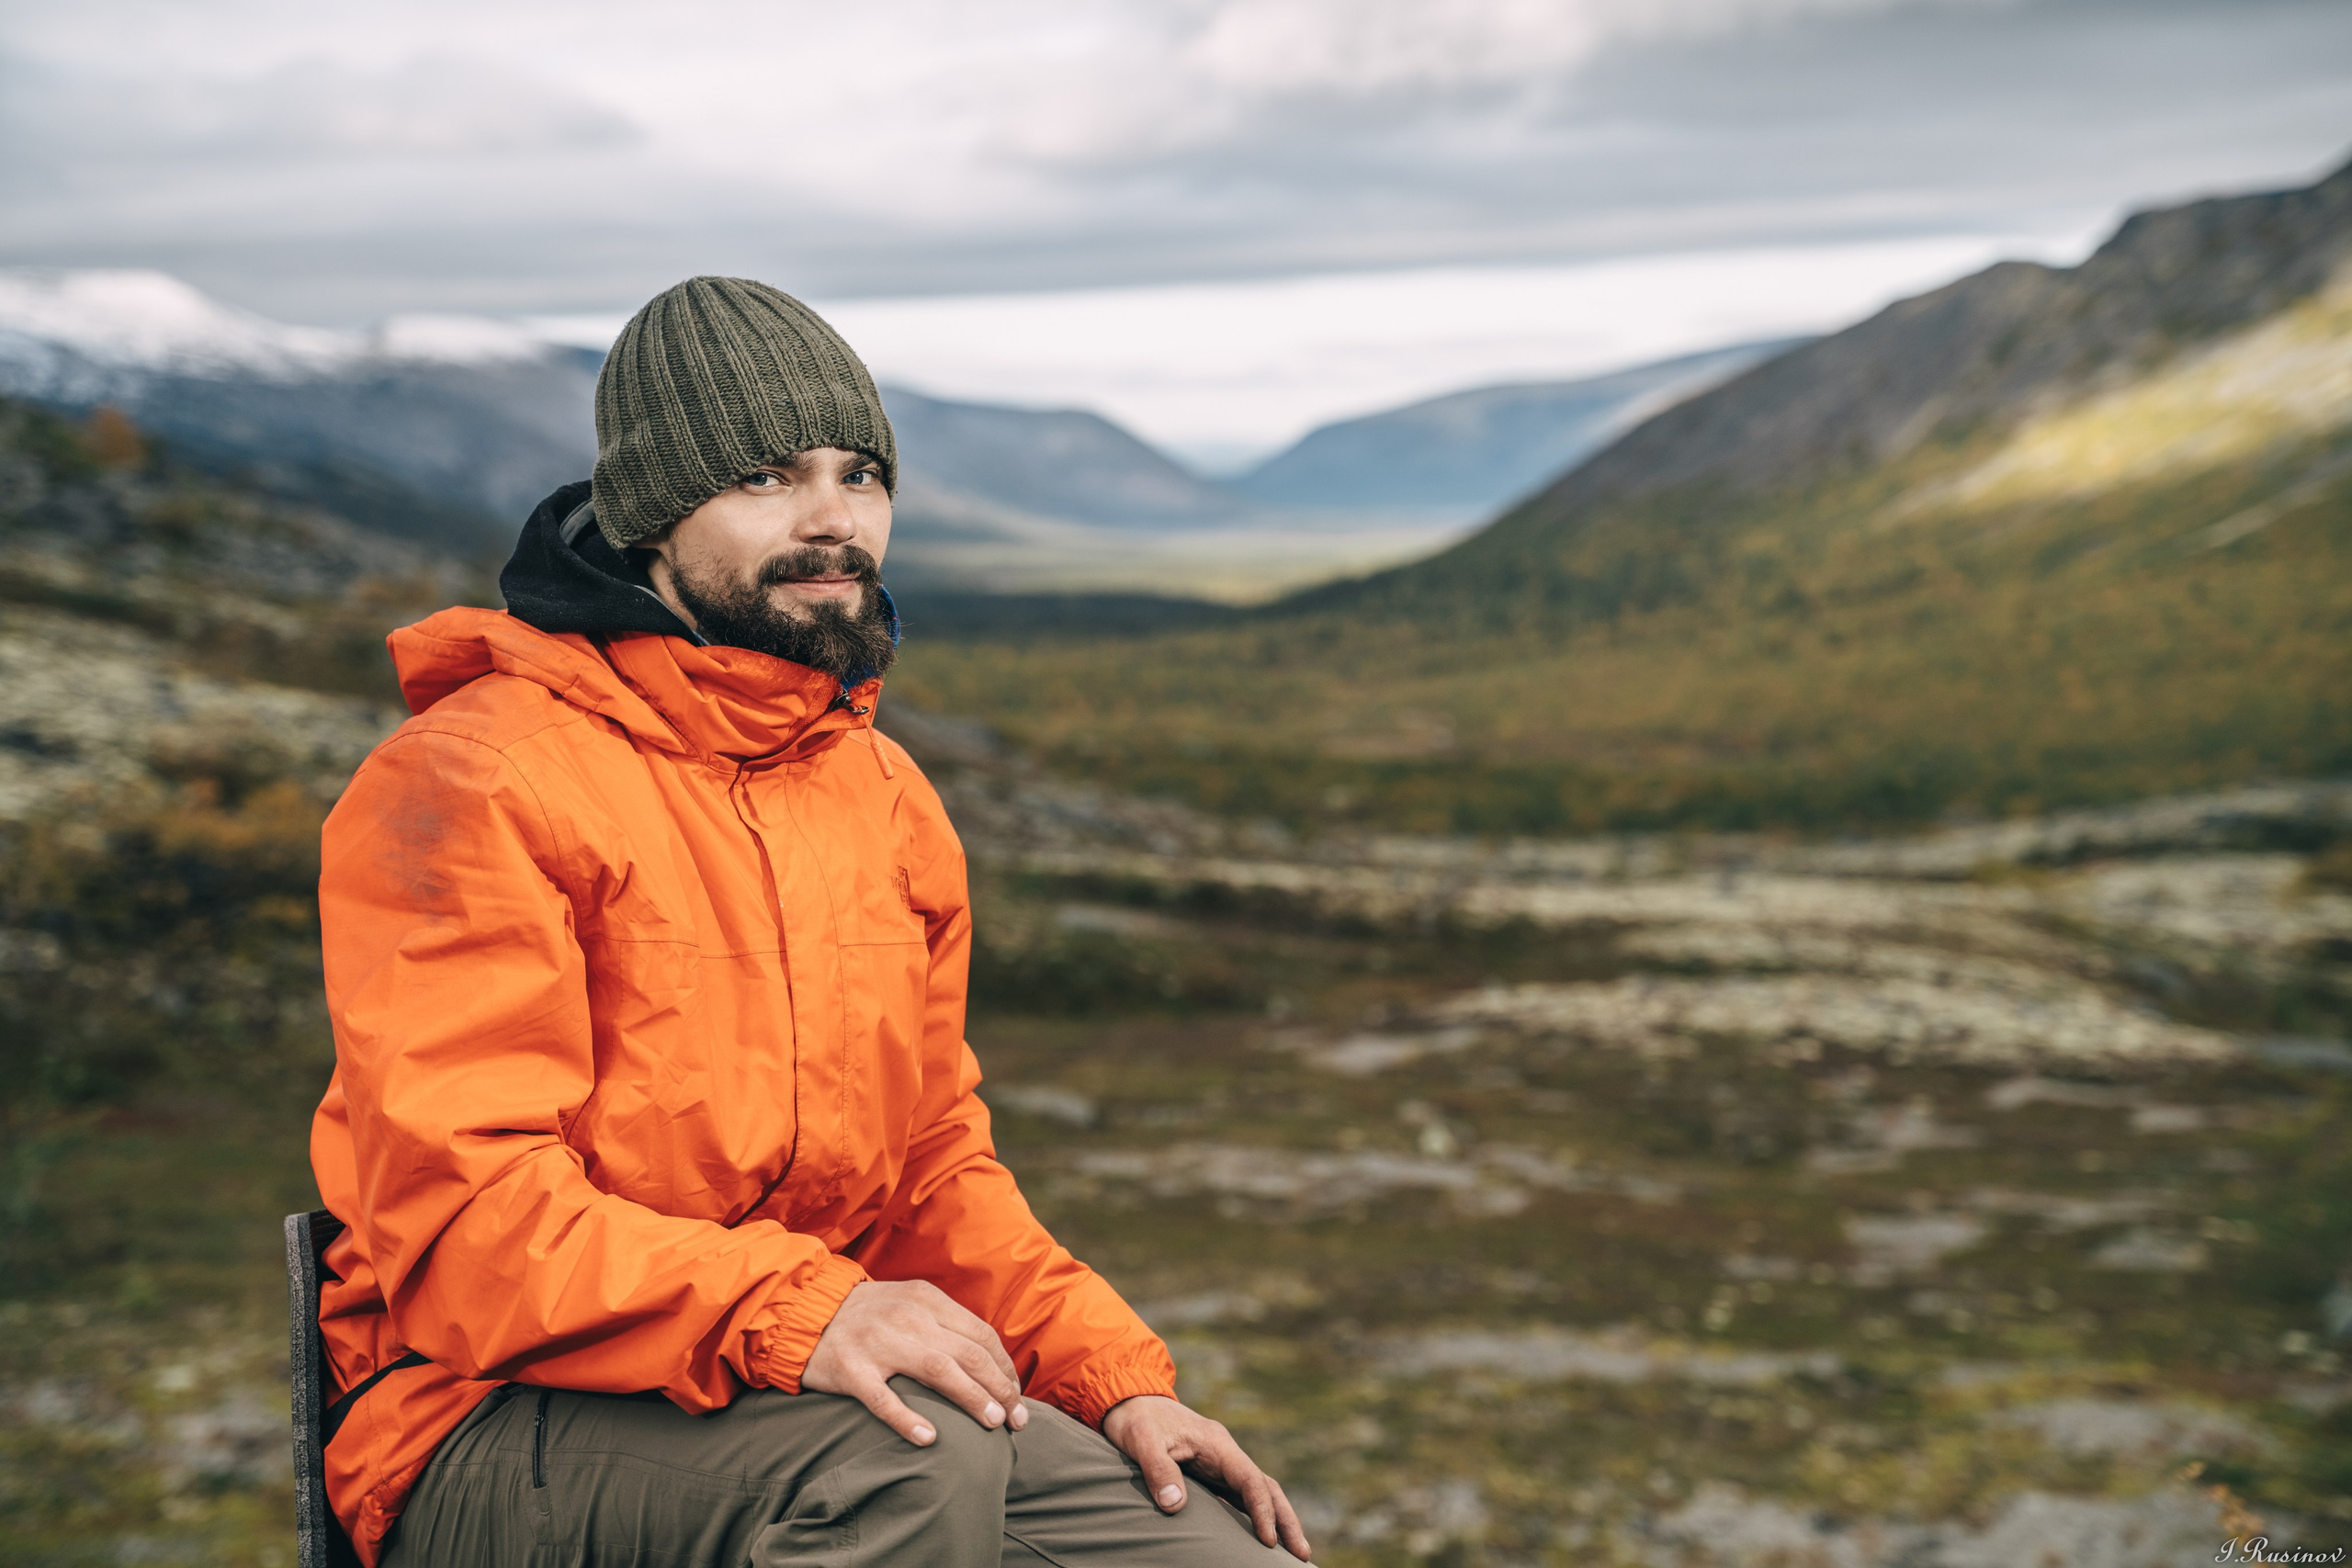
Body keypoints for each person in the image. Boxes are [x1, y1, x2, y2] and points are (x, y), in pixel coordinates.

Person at [309, 276, 1311, 1567]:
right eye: (770, 479)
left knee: (1217, 1550)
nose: (835, 520)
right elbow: (468, 1227)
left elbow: (933, 1169)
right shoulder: (474, 778)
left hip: (799, 1381)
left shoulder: (881, 797)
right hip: (483, 1420)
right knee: (911, 1467)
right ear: (650, 515)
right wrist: (798, 1309)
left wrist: (1113, 1377)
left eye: (862, 474)